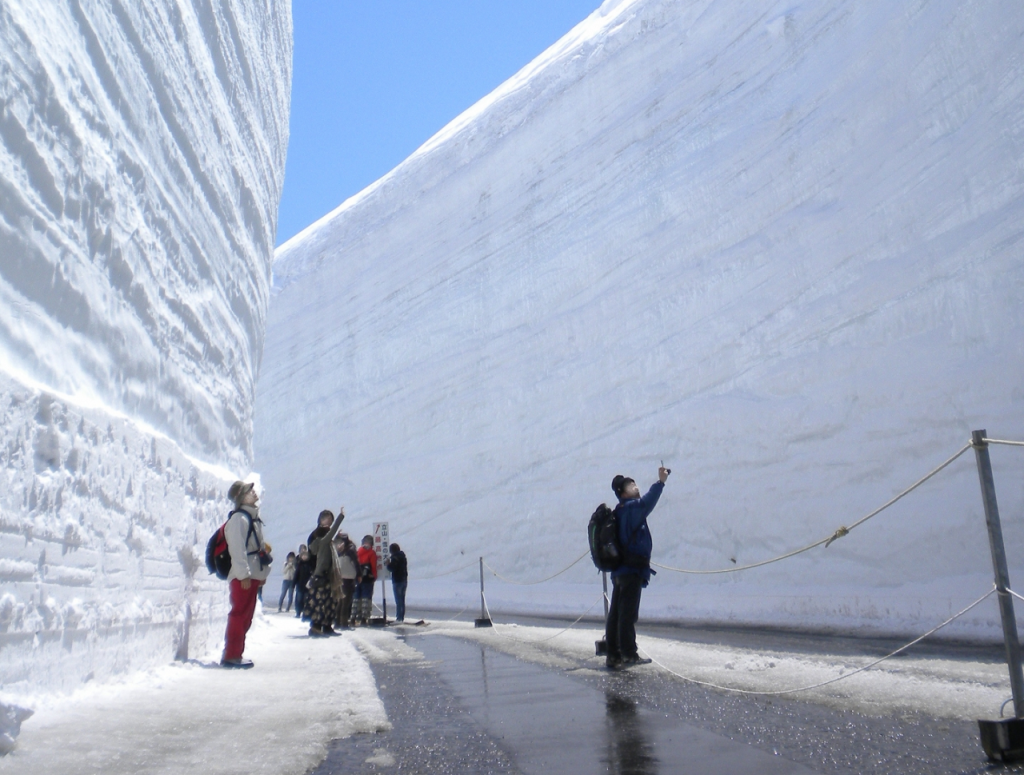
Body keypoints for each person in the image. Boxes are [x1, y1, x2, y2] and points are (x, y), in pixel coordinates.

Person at [604, 466, 670, 669]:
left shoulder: (620, 511)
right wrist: (660, 482)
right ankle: (629, 654)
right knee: (627, 614)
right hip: (630, 570)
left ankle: (613, 654)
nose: (635, 486)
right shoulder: (631, 508)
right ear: (623, 493)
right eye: (631, 485)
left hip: (620, 572)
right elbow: (647, 502)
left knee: (616, 613)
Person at [221, 480, 272, 668]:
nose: (254, 492)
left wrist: (260, 574)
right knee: (239, 614)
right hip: (244, 577)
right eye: (249, 491)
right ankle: (231, 655)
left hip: (251, 576)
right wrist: (243, 574)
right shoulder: (239, 519)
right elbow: (237, 549)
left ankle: (236, 653)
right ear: (241, 497)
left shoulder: (251, 518)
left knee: (246, 616)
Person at [307, 509, 345, 636]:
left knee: (330, 601)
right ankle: (316, 627)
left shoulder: (328, 542)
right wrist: (341, 516)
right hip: (320, 575)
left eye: (330, 520)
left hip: (327, 575)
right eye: (326, 519)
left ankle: (326, 626)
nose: (328, 522)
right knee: (320, 602)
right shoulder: (321, 539)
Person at [334, 534, 359, 629]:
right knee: (345, 602)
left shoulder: (338, 552)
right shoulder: (350, 551)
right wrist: (359, 575)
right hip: (348, 579)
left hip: (339, 578)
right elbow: (356, 564)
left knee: (340, 602)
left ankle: (337, 622)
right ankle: (343, 623)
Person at [354, 535, 378, 625]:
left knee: (356, 597)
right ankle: (365, 616)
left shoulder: (358, 551)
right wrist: (374, 576)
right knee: (366, 597)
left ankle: (356, 615)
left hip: (357, 578)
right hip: (368, 578)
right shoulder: (371, 552)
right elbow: (373, 566)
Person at [385, 543, 408, 623]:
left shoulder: (395, 558)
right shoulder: (403, 557)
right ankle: (401, 617)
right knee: (402, 599)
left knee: (398, 601)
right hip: (404, 580)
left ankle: (399, 618)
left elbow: (392, 568)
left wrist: (388, 564)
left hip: (397, 581)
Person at [293, 544, 313, 619]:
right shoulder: (299, 564)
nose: (304, 557)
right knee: (299, 599)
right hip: (300, 585)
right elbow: (296, 575)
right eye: (303, 555)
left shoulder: (310, 565)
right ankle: (298, 612)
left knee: (306, 599)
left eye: (306, 555)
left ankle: (306, 613)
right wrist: (293, 584)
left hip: (307, 585)